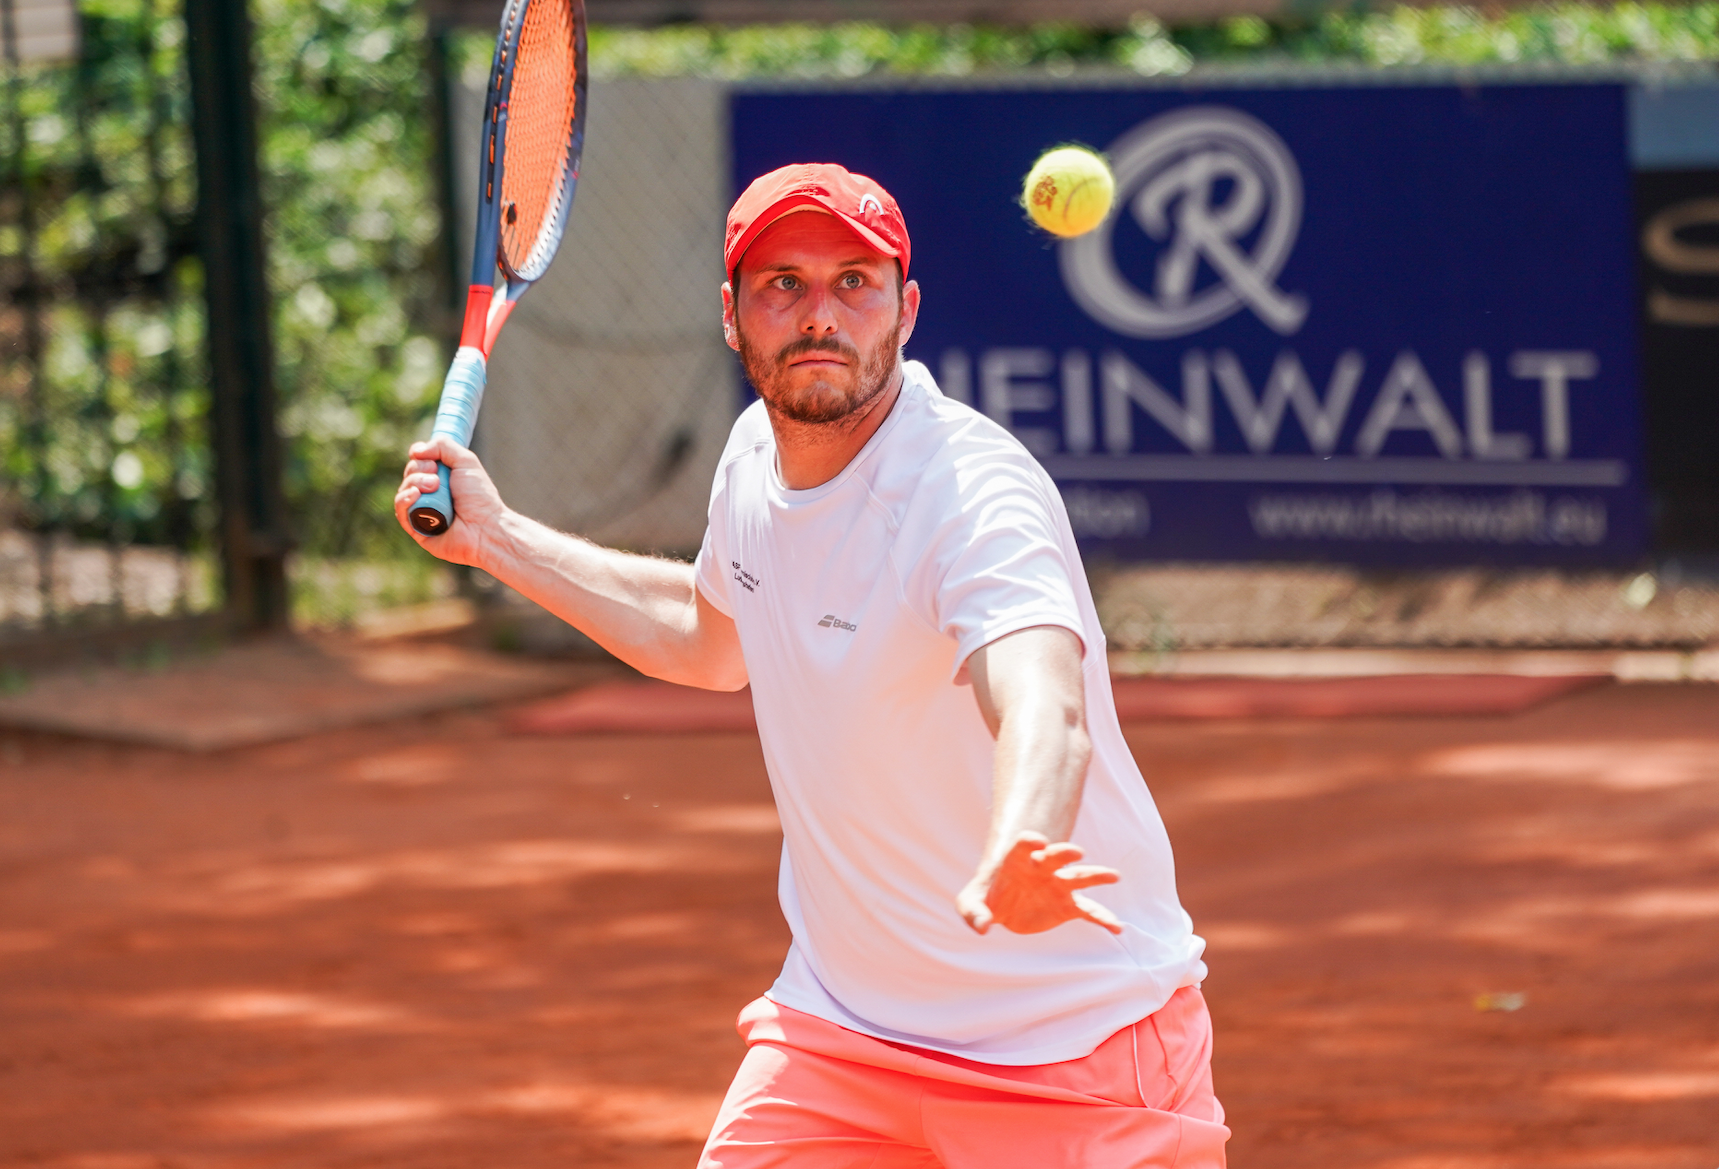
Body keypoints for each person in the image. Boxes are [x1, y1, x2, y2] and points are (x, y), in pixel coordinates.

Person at [395, 163, 1227, 1168]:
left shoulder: (968, 490)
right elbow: (708, 638)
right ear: (732, 315)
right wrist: (496, 538)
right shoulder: (752, 456)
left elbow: (1041, 693)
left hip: (1071, 1045)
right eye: (782, 283)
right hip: (840, 1038)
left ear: (905, 309)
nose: (819, 312)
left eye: (854, 282)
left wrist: (1023, 833)